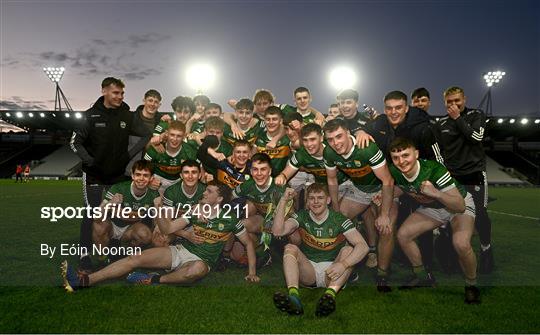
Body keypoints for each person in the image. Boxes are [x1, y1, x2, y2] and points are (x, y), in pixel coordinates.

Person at [61, 182, 260, 291]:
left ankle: (155, 279)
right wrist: (159, 208)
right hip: (180, 251)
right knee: (135, 259)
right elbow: (168, 228)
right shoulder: (194, 212)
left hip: (202, 261)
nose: (204, 193)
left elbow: (248, 244)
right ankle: (86, 280)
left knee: (197, 269)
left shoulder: (231, 219)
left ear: (219, 199)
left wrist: (252, 272)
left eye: (208, 191)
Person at [355, 90, 443, 272]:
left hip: (422, 180)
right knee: (400, 220)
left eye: (398, 108)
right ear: (384, 109)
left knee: (424, 222)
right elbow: (361, 127)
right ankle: (405, 259)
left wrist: (432, 184)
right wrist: (361, 132)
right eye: (389, 108)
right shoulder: (380, 122)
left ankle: (427, 263)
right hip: (396, 182)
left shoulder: (422, 127)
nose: (393, 112)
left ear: (406, 108)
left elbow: (438, 160)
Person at [388, 137, 480, 304]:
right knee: (403, 235)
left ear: (416, 154)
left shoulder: (434, 169)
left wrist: (435, 193)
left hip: (458, 204)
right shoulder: (394, 171)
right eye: (396, 157)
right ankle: (423, 277)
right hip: (434, 208)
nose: (401, 161)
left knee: (461, 243)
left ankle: (471, 285)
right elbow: (403, 187)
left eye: (405, 155)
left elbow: (459, 205)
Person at [70, 77, 142, 272]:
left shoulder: (127, 116)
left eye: (122, 93)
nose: (120, 96)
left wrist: (128, 155)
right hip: (94, 175)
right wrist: (90, 161)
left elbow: (145, 135)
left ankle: (113, 252)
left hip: (117, 176)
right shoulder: (90, 115)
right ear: (104, 92)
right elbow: (74, 142)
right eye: (116, 93)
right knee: (91, 214)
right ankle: (84, 256)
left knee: (115, 213)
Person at [272, 184, 369, 317]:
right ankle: (294, 298)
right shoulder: (302, 216)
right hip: (309, 271)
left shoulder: (338, 219)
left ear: (328, 200)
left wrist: (343, 265)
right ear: (307, 201)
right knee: (290, 248)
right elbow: (278, 231)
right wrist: (283, 201)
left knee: (348, 250)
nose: (316, 202)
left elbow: (363, 246)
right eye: (312, 198)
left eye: (320, 198)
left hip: (332, 272)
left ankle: (329, 297)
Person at [323, 119, 398, 290]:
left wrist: (384, 213)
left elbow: (387, 180)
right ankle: (343, 265)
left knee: (386, 227)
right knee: (337, 221)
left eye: (339, 136)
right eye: (330, 139)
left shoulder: (367, 148)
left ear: (348, 133)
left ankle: (382, 274)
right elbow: (331, 179)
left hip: (381, 188)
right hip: (360, 190)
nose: (336, 143)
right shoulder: (329, 152)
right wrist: (335, 207)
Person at [438, 86, 494, 274]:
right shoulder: (441, 123)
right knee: (449, 216)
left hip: (474, 174)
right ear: (444, 102)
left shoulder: (476, 115)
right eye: (449, 102)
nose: (453, 105)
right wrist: (443, 172)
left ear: (464, 99)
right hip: (452, 177)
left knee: (480, 214)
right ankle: (452, 254)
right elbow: (438, 150)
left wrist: (457, 119)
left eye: (457, 101)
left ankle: (486, 250)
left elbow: (476, 137)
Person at [92, 160, 160, 250]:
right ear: (132, 175)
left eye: (146, 175)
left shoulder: (153, 195)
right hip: (113, 226)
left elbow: (157, 220)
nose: (141, 178)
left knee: (146, 235)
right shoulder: (119, 188)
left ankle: (123, 250)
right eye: (138, 174)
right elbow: (96, 216)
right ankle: (102, 258)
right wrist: (110, 203)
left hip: (131, 227)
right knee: (98, 226)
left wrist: (158, 224)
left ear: (151, 177)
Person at [144, 121, 198, 194]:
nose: (175, 139)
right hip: (157, 181)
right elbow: (143, 167)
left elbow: (198, 171)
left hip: (179, 181)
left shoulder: (189, 151)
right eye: (172, 135)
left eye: (179, 136)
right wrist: (149, 180)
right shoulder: (156, 148)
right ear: (167, 134)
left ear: (184, 136)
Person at [125, 89, 162, 175]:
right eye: (150, 100)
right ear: (144, 101)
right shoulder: (131, 119)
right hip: (131, 167)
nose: (153, 104)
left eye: (156, 102)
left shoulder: (161, 122)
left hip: (152, 169)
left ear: (159, 105)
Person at [255, 106, 291, 176]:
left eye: (274, 119)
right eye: (268, 119)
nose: (271, 122)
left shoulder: (287, 138)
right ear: (264, 121)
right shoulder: (258, 137)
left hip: (282, 178)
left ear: (281, 121)